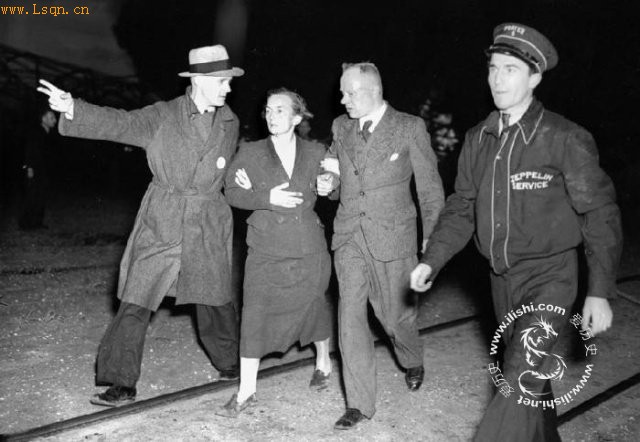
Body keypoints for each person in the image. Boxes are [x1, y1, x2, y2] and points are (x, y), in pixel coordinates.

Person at [410, 23, 622, 441]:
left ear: (535, 77)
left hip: (551, 279)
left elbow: (600, 214)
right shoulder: (479, 139)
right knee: (528, 377)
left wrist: (599, 290)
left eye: (510, 69)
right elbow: (462, 207)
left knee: (518, 376)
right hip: (501, 281)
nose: (497, 79)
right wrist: (431, 260)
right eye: (493, 68)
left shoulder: (564, 138)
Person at [37, 44, 244, 406]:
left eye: (229, 81)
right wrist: (73, 108)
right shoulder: (163, 115)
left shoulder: (230, 121)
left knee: (214, 297)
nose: (228, 88)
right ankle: (121, 381)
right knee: (137, 297)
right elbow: (121, 123)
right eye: (221, 81)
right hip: (164, 217)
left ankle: (230, 361)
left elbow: (226, 167)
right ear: (198, 80)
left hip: (208, 219)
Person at [317, 62, 445, 430]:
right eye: (342, 93)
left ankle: (412, 358)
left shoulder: (408, 127)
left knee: (394, 319)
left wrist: (433, 242)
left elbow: (430, 190)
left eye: (350, 93)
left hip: (393, 238)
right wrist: (327, 182)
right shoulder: (341, 127)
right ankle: (359, 403)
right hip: (349, 237)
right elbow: (334, 170)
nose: (343, 100)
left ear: (374, 90)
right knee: (350, 318)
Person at [216, 88, 333, 417]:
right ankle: (246, 391)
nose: (271, 116)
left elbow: (334, 180)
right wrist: (266, 198)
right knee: (254, 313)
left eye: (280, 110)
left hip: (308, 247)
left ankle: (323, 362)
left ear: (297, 118)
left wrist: (330, 183)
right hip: (266, 248)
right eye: (268, 110)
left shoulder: (316, 151)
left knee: (314, 306)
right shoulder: (251, 152)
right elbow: (231, 191)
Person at [18, 105, 57, 230]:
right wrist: (29, 168)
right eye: (51, 118)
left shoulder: (49, 134)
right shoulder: (36, 132)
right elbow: (30, 151)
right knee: (32, 196)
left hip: (44, 170)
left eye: (54, 117)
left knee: (41, 196)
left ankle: (37, 223)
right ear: (43, 119)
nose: (55, 120)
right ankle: (25, 224)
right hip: (34, 170)